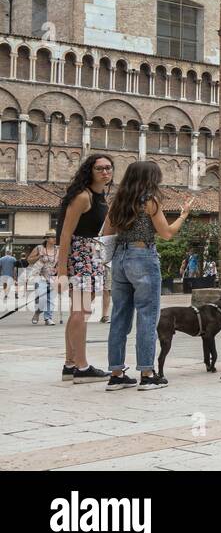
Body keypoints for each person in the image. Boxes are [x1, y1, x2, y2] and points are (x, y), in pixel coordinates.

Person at [103, 160, 194, 390]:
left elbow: (107, 233)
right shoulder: (149, 201)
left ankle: (116, 374)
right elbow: (166, 233)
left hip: (120, 259)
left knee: (119, 317)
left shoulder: (117, 202)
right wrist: (183, 215)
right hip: (142, 256)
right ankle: (146, 373)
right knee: (147, 316)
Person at [54, 154, 114, 384]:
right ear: (90, 171)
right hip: (80, 257)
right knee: (81, 311)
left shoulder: (99, 197)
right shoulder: (83, 197)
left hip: (89, 256)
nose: (105, 172)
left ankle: (70, 364)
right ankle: (82, 367)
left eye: (108, 168)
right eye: (100, 168)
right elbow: (65, 234)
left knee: (78, 312)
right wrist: (61, 271)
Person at [27, 233, 60, 325]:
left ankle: (48, 318)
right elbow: (29, 260)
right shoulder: (39, 248)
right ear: (46, 239)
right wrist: (38, 257)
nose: (55, 239)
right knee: (42, 297)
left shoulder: (58, 249)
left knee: (51, 299)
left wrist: (59, 272)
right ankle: (37, 312)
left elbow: (60, 263)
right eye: (52, 237)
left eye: (55, 237)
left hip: (53, 276)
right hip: (39, 275)